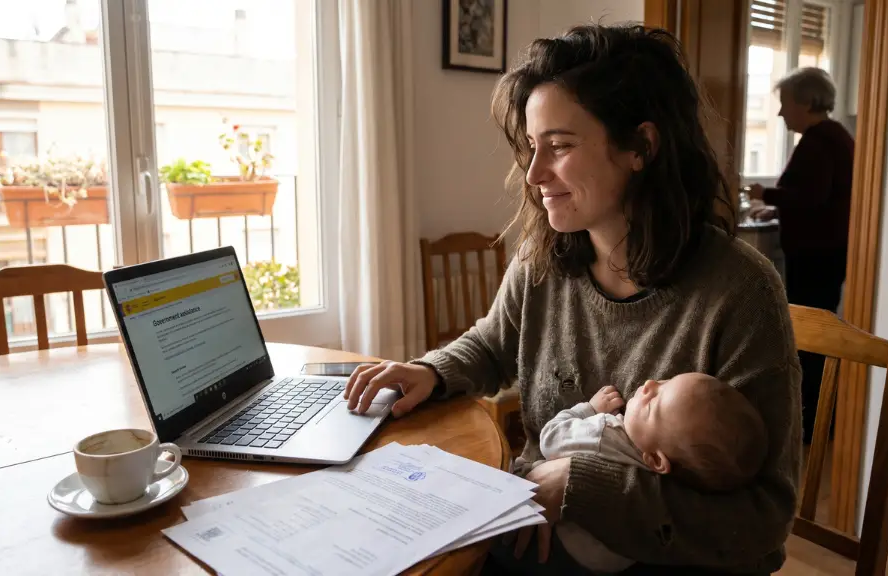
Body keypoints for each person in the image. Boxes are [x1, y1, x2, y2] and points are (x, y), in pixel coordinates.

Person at [345, 24, 801, 575]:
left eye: (559, 146)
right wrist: (430, 372)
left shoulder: (740, 291)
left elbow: (763, 521)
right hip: (536, 523)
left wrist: (583, 486)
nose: (534, 174)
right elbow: (493, 343)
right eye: (532, 147)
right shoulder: (545, 257)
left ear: (641, 147)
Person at [535, 375, 769, 574]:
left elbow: (551, 437)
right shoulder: (671, 475)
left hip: (555, 549)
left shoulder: (605, 433)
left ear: (657, 460)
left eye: (651, 404)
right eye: (666, 381)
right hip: (609, 563)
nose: (649, 384)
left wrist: (590, 409)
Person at [748, 67, 854, 444]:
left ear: (807, 102)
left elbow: (812, 197)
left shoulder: (818, 141)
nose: (780, 113)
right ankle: (819, 418)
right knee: (817, 332)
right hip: (828, 251)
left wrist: (767, 195)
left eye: (784, 104)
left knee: (810, 335)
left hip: (816, 254)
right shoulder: (836, 136)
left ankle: (812, 423)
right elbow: (824, 199)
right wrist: (777, 210)